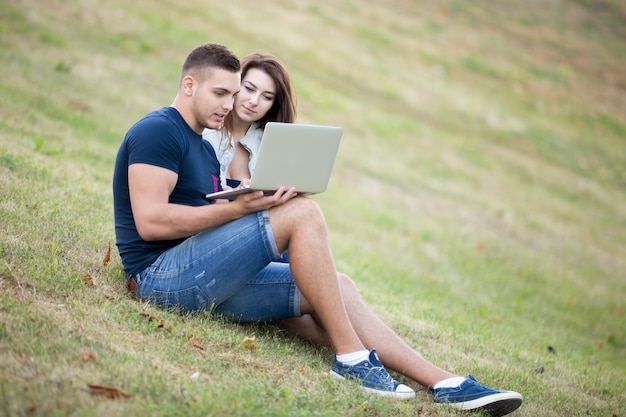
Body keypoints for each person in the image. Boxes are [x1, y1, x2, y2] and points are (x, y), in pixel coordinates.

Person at [112, 43, 523, 416]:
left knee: (336, 285)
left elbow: (202, 211)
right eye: (221, 94)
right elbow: (151, 223)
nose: (230, 104)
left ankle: (445, 383)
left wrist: (253, 201)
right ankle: (352, 360)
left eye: (232, 95)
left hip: (203, 276)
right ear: (188, 85)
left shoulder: (202, 146)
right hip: (158, 280)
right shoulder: (159, 130)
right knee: (304, 214)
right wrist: (240, 211)